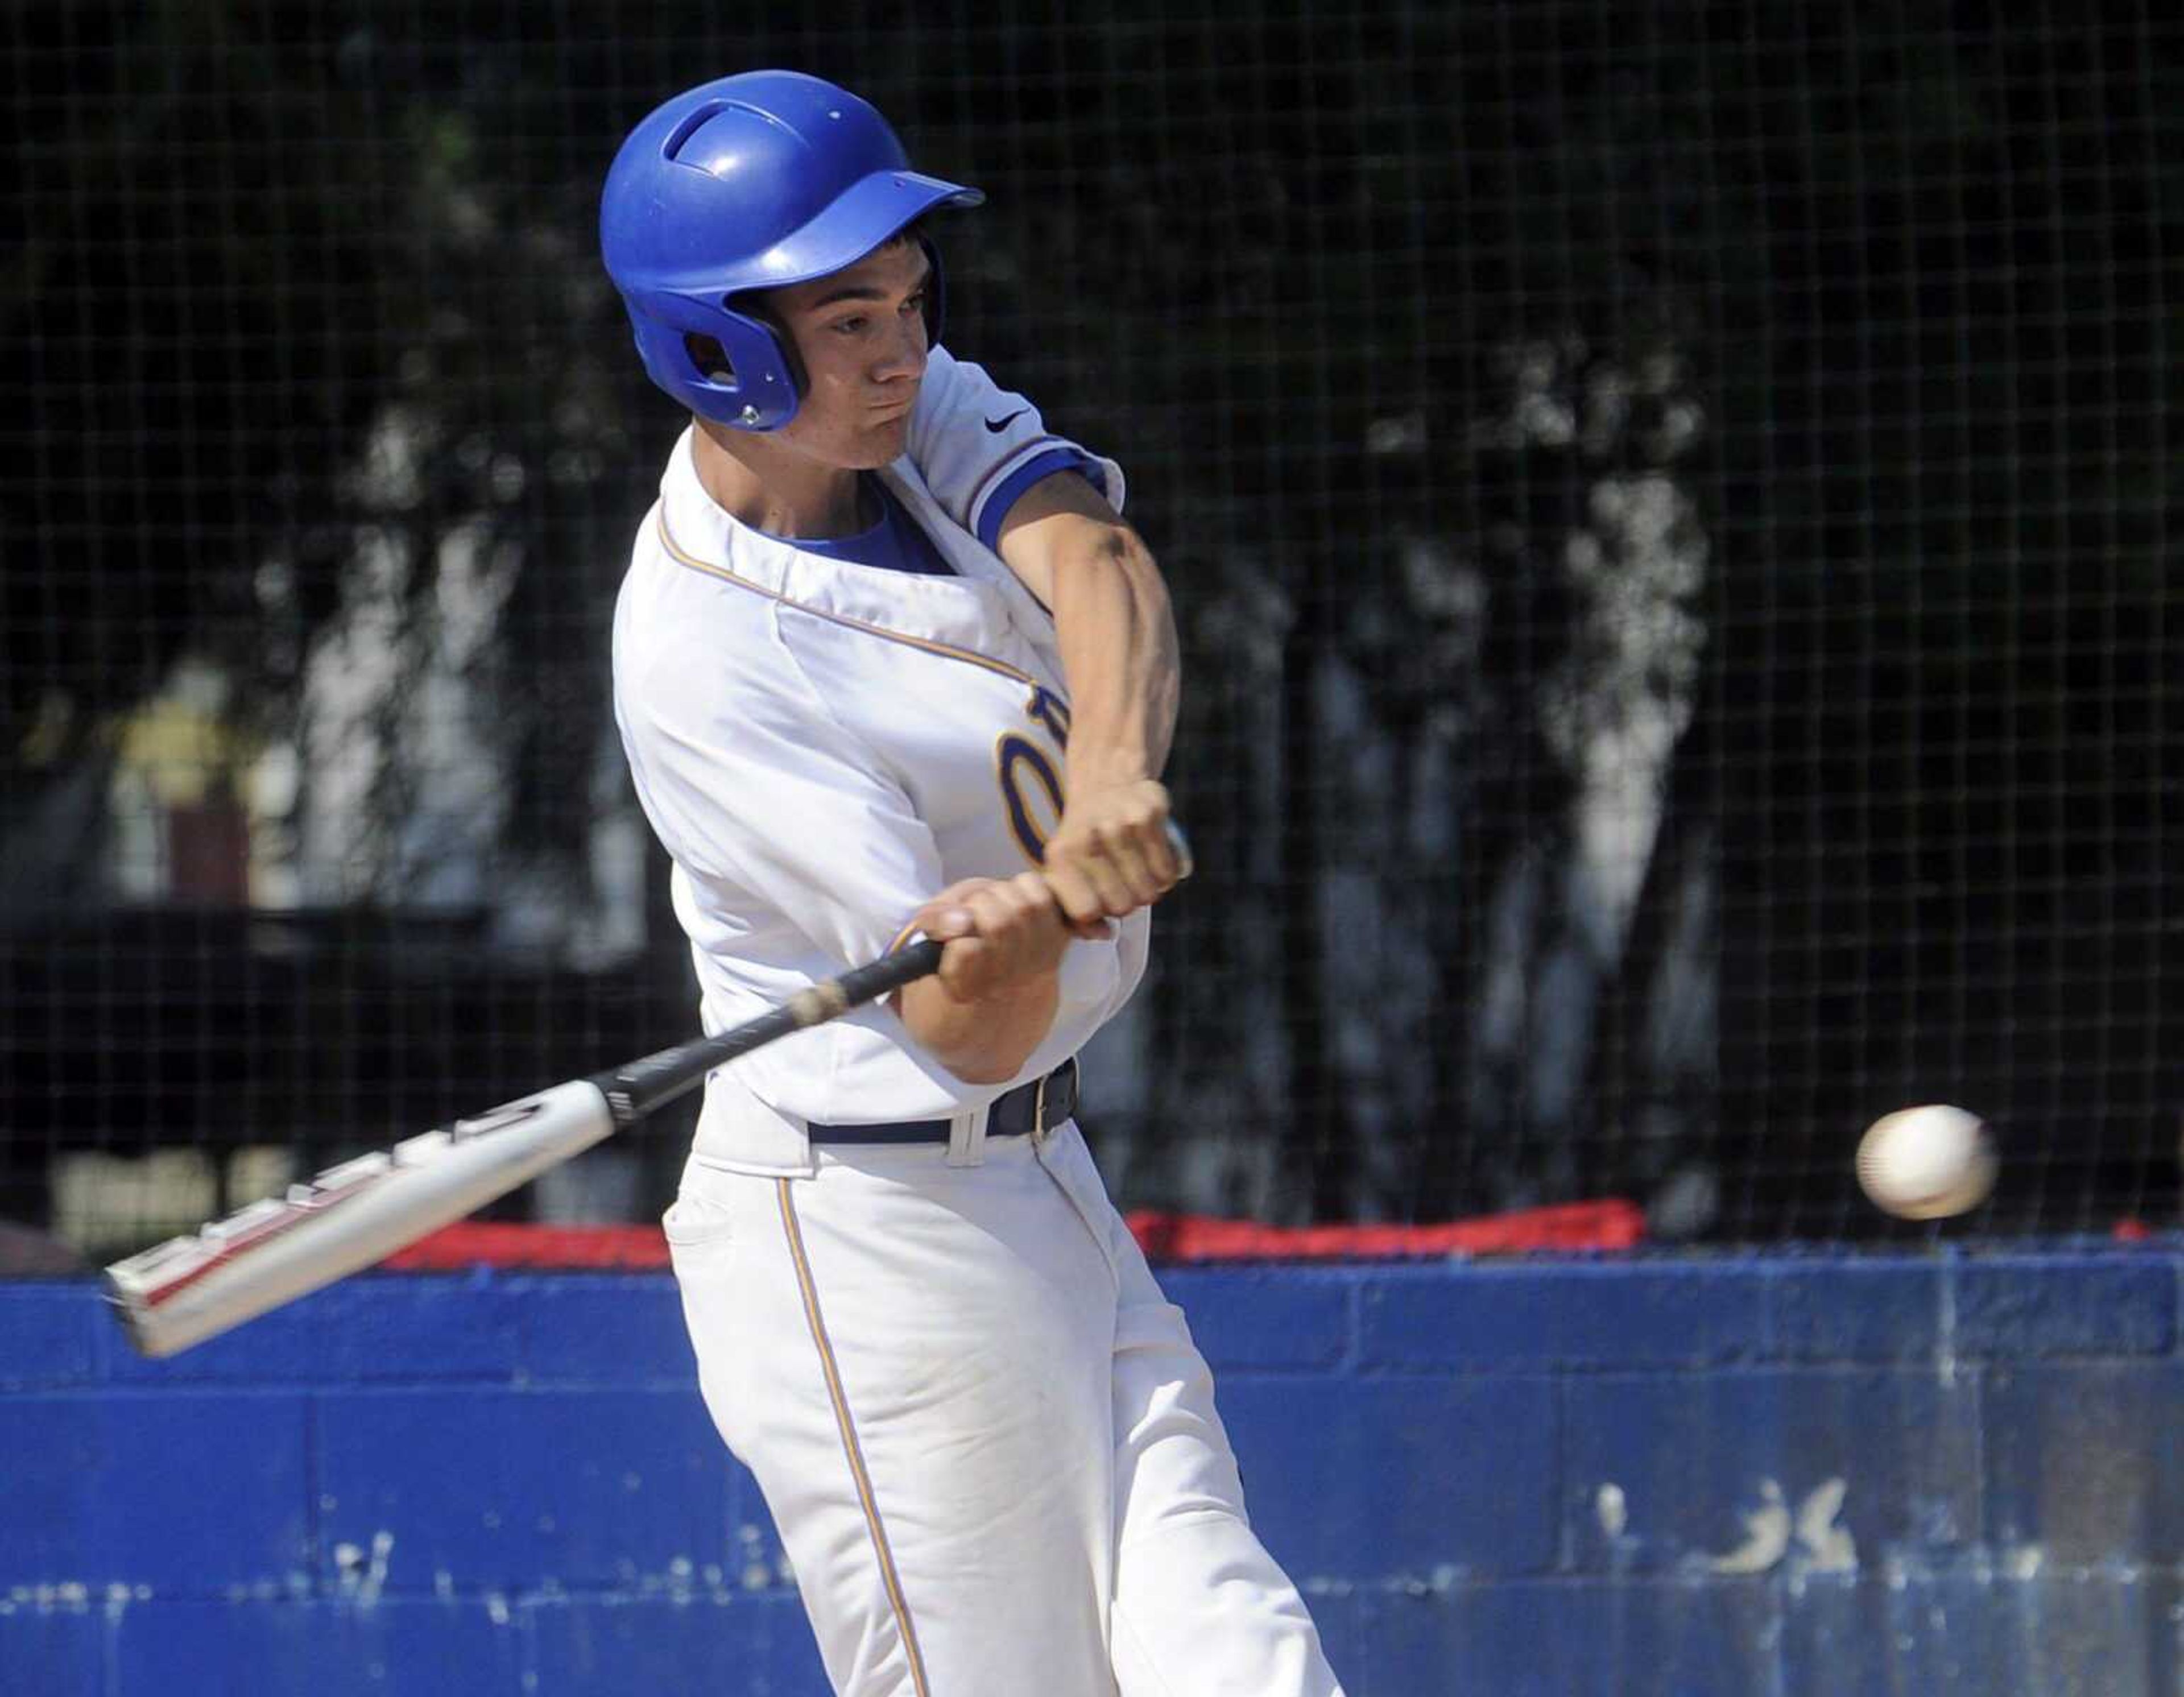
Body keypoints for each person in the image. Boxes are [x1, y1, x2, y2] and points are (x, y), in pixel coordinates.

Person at [599, 70, 1345, 1697]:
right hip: (867, 1235)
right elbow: (965, 1030)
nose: (902, 349)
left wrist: (1112, 785)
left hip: (1046, 1183)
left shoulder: (897, 417)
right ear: (718, 346)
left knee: (1242, 1658)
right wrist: (1020, 930)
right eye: (849, 318)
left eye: (911, 302)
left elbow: (1098, 562)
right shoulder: (707, 658)